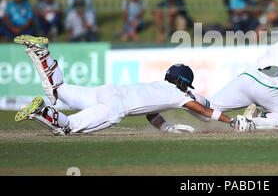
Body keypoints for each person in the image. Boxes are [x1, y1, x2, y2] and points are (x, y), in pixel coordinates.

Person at [13, 35, 253, 134]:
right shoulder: (178, 96)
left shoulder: (157, 87)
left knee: (59, 89)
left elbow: (151, 115)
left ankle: (40, 51)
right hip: (115, 106)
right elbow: (203, 110)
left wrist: (168, 129)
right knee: (68, 127)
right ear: (184, 83)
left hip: (107, 91)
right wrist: (231, 121)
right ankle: (41, 111)